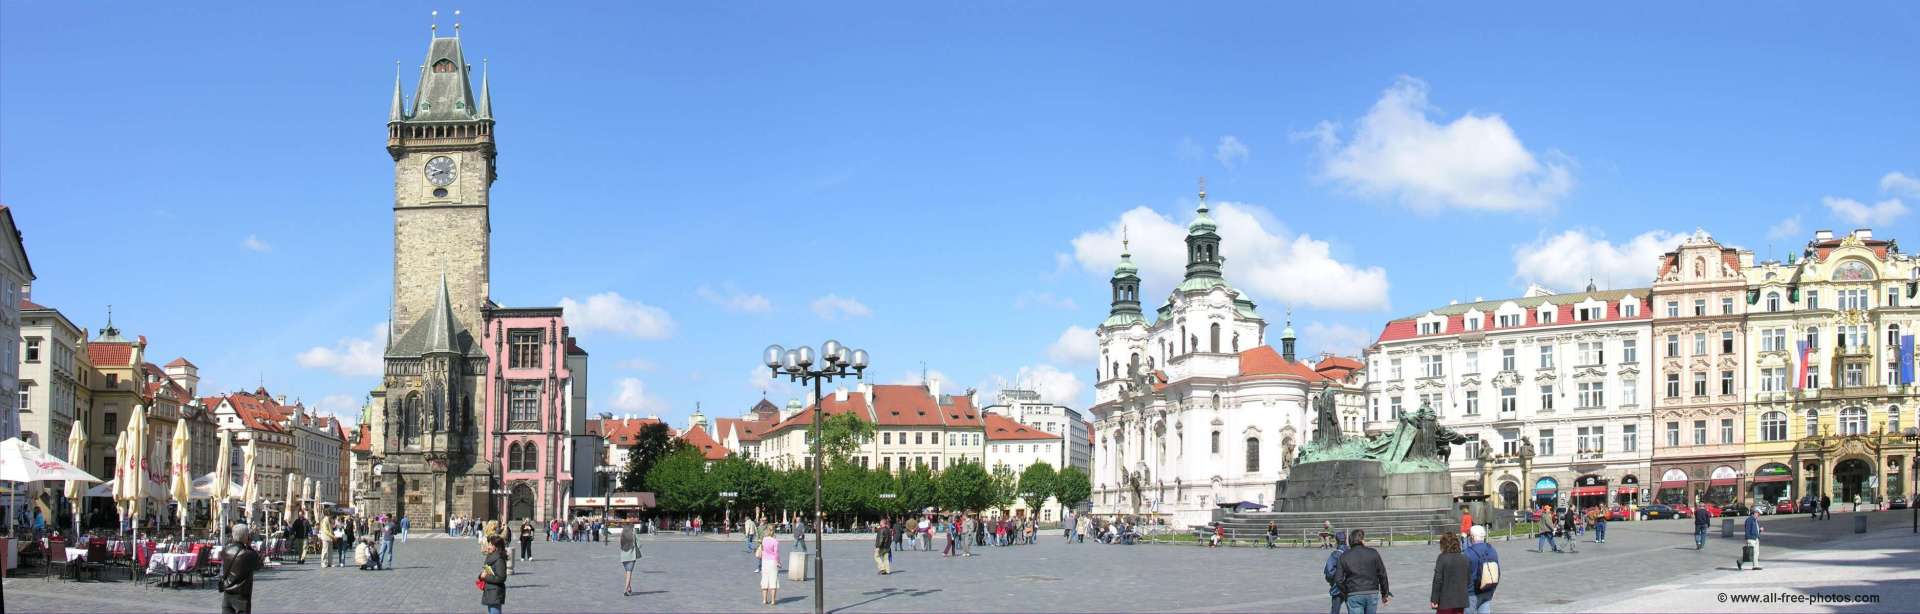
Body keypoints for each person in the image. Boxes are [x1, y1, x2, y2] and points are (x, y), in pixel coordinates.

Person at [1334, 528, 1391, 614]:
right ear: (1362, 540)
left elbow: (1338, 579)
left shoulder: (1344, 556)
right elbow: (1382, 574)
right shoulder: (1373, 553)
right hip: (1371, 592)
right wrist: (1385, 594)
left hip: (1353, 593)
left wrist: (1347, 591)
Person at [220, 523, 264, 614]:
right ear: (245, 537)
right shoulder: (248, 554)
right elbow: (258, 565)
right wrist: (249, 546)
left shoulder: (225, 551)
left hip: (227, 593)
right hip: (242, 596)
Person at [1430, 532, 1470, 614]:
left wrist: (1434, 599)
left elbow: (1437, 580)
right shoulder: (1464, 558)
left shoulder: (1442, 558)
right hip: (1460, 600)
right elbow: (1468, 579)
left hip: (1446, 600)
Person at [1463, 525, 1498, 614]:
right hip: (1487, 589)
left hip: (1472, 593)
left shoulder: (1467, 553)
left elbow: (1462, 576)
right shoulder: (1492, 550)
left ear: (1473, 537)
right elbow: (1497, 571)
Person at [480, 536, 508, 614]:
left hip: (495, 592)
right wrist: (481, 576)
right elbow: (487, 571)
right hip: (490, 590)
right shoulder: (491, 557)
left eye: (490, 545)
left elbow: (501, 578)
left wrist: (485, 577)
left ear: (496, 547)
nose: (488, 547)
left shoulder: (499, 560)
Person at [1323, 531, 1348, 614]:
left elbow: (1329, 572)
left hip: (1338, 588)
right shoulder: (1351, 552)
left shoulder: (1335, 554)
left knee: (1335, 611)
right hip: (1351, 587)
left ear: (1336, 541)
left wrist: (1333, 581)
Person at [1737, 506, 1764, 571]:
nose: (1759, 515)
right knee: (1751, 553)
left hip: (1756, 538)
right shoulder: (1749, 520)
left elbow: (1755, 530)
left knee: (1756, 552)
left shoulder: (1755, 520)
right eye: (1758, 513)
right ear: (1755, 513)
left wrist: (1759, 530)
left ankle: (1742, 562)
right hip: (1751, 539)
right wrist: (1748, 539)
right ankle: (1754, 566)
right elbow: (1747, 530)